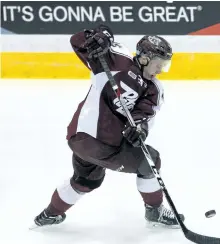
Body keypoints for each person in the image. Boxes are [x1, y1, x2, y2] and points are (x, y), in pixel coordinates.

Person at [34, 25, 184, 228]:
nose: (160, 70)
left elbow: (144, 116)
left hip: (80, 139)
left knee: (87, 180)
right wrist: (103, 35)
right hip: (97, 141)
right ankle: (155, 211)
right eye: (158, 64)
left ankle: (49, 214)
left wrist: (139, 129)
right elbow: (78, 40)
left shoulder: (153, 89)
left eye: (164, 65)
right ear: (144, 58)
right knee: (151, 160)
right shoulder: (117, 59)